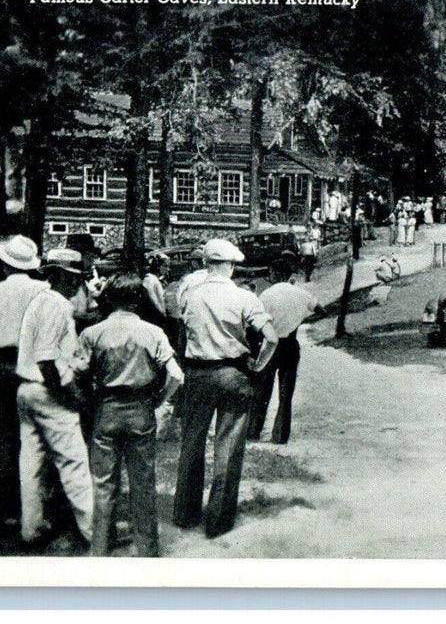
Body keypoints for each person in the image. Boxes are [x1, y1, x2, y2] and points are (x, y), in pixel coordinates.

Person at [173, 239, 279, 538]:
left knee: (191, 444)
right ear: (230, 266)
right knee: (229, 447)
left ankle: (185, 513)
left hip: (198, 372)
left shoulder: (189, 296)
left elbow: (184, 332)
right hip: (233, 372)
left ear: (207, 264)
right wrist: (258, 366)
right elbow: (270, 337)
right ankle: (218, 520)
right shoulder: (244, 297)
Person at [77, 272, 185, 557]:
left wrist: (88, 400)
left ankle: (100, 547)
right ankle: (147, 550)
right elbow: (176, 375)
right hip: (141, 409)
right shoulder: (153, 332)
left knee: (102, 484)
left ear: (109, 299)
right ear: (139, 301)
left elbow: (76, 373)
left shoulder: (92, 333)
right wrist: (159, 400)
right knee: (143, 482)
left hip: (106, 409)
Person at [15, 248, 94, 548]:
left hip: (27, 389)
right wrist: (70, 395)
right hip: (49, 390)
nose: (77, 283)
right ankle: (92, 531)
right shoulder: (57, 304)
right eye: (72, 277)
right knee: (73, 462)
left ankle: (32, 529)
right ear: (57, 275)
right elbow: (47, 359)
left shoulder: (41, 301)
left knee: (32, 464)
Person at [0, 234, 48, 523]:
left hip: (0, 367)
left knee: (1, 436)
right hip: (35, 364)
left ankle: (9, 510)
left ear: (5, 266)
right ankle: (36, 508)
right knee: (34, 436)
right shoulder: (45, 291)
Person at [248, 259, 324, 444]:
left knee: (262, 390)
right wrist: (299, 320)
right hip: (291, 343)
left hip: (271, 343)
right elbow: (322, 310)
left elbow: (256, 321)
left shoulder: (267, 294)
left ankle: (253, 431)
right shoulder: (301, 293)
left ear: (275, 273)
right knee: (286, 392)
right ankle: (280, 435)